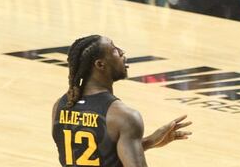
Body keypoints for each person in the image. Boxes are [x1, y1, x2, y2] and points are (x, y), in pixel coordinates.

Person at [52, 35, 192, 166]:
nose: (122, 52)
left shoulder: (60, 105)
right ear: (100, 64)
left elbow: (95, 155)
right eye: (114, 50)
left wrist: (149, 141)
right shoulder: (124, 117)